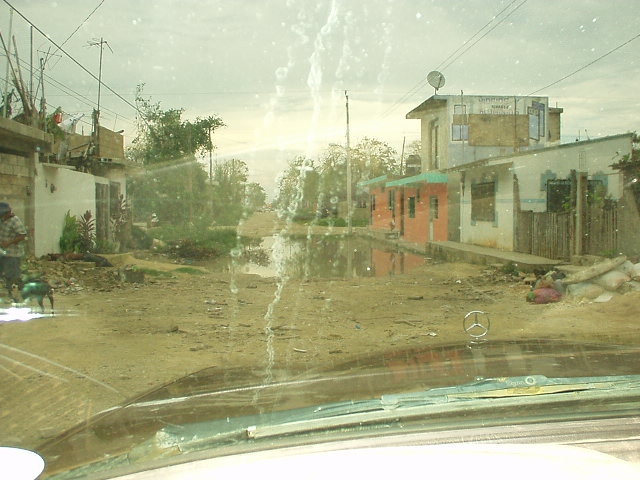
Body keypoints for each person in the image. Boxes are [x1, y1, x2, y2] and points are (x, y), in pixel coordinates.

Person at [0, 202, 27, 302]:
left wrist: (9, 242)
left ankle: (16, 296)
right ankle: (8, 293)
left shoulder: (15, 221)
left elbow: (22, 235)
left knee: (12, 275)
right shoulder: (2, 220)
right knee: (4, 274)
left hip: (13, 253)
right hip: (3, 252)